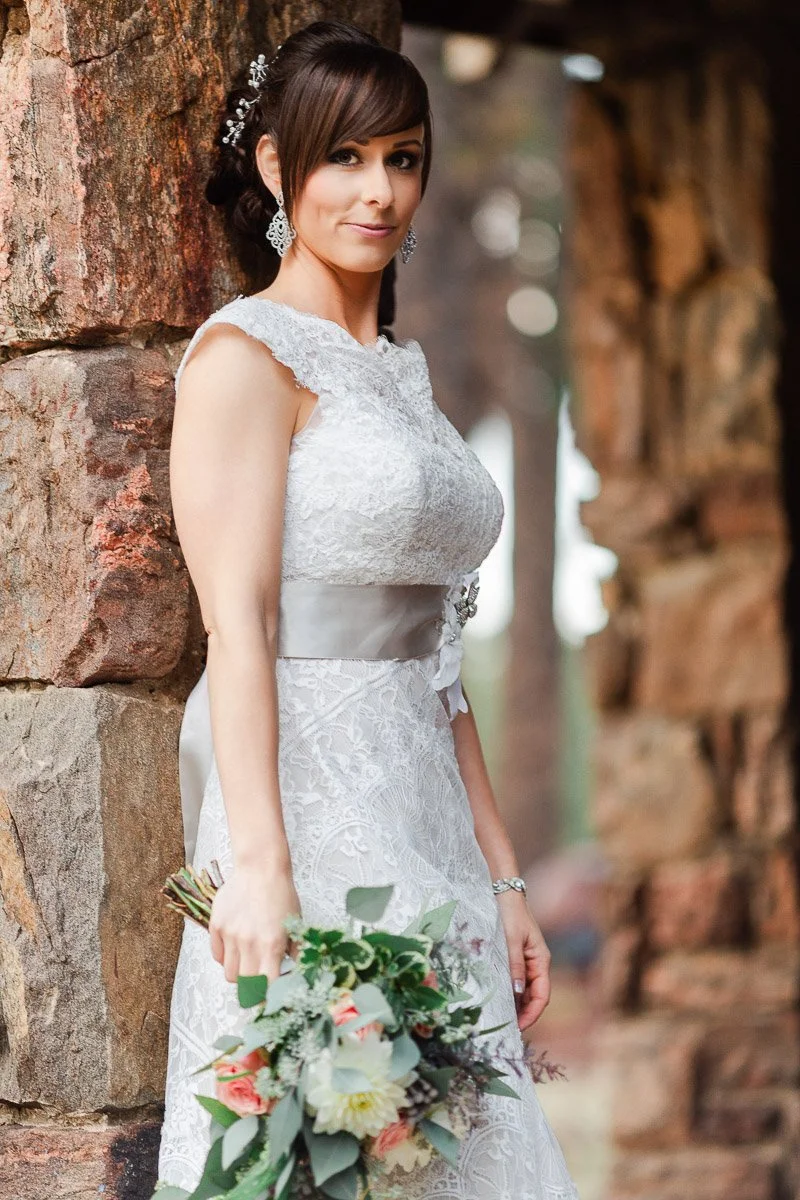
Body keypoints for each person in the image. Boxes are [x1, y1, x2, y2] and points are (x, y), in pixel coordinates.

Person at [156, 18, 579, 1198]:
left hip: (429, 826)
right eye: (343, 158)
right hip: (304, 820)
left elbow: (436, 654)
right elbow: (238, 628)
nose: (378, 191)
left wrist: (502, 880)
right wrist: (260, 868)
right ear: (276, 166)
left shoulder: (401, 372)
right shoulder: (245, 357)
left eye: (402, 158)